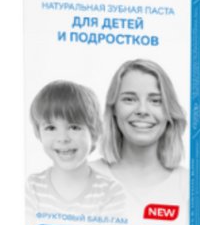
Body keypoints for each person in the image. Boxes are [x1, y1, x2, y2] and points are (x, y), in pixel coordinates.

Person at [93, 59, 188, 204]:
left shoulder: (189, 187)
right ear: (113, 109)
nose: (142, 110)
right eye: (129, 99)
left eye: (155, 101)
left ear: (169, 112)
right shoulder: (83, 177)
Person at [25, 80, 125, 215]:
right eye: (51, 128)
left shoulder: (110, 192)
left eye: (74, 127)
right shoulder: (32, 188)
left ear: (95, 132)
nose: (63, 138)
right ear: (38, 133)